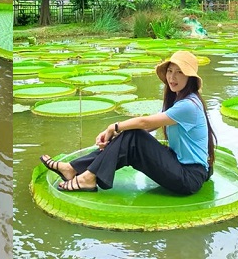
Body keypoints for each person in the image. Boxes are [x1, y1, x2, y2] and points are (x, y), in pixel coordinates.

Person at [40, 50, 217, 195]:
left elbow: (144, 123)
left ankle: (86, 178)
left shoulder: (189, 106)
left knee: (134, 133)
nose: (172, 77)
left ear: (190, 78)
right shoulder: (179, 102)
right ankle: (72, 169)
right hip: (179, 165)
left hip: (188, 177)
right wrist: (117, 135)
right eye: (170, 71)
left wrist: (113, 127)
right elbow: (149, 126)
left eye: (180, 72)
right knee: (131, 135)